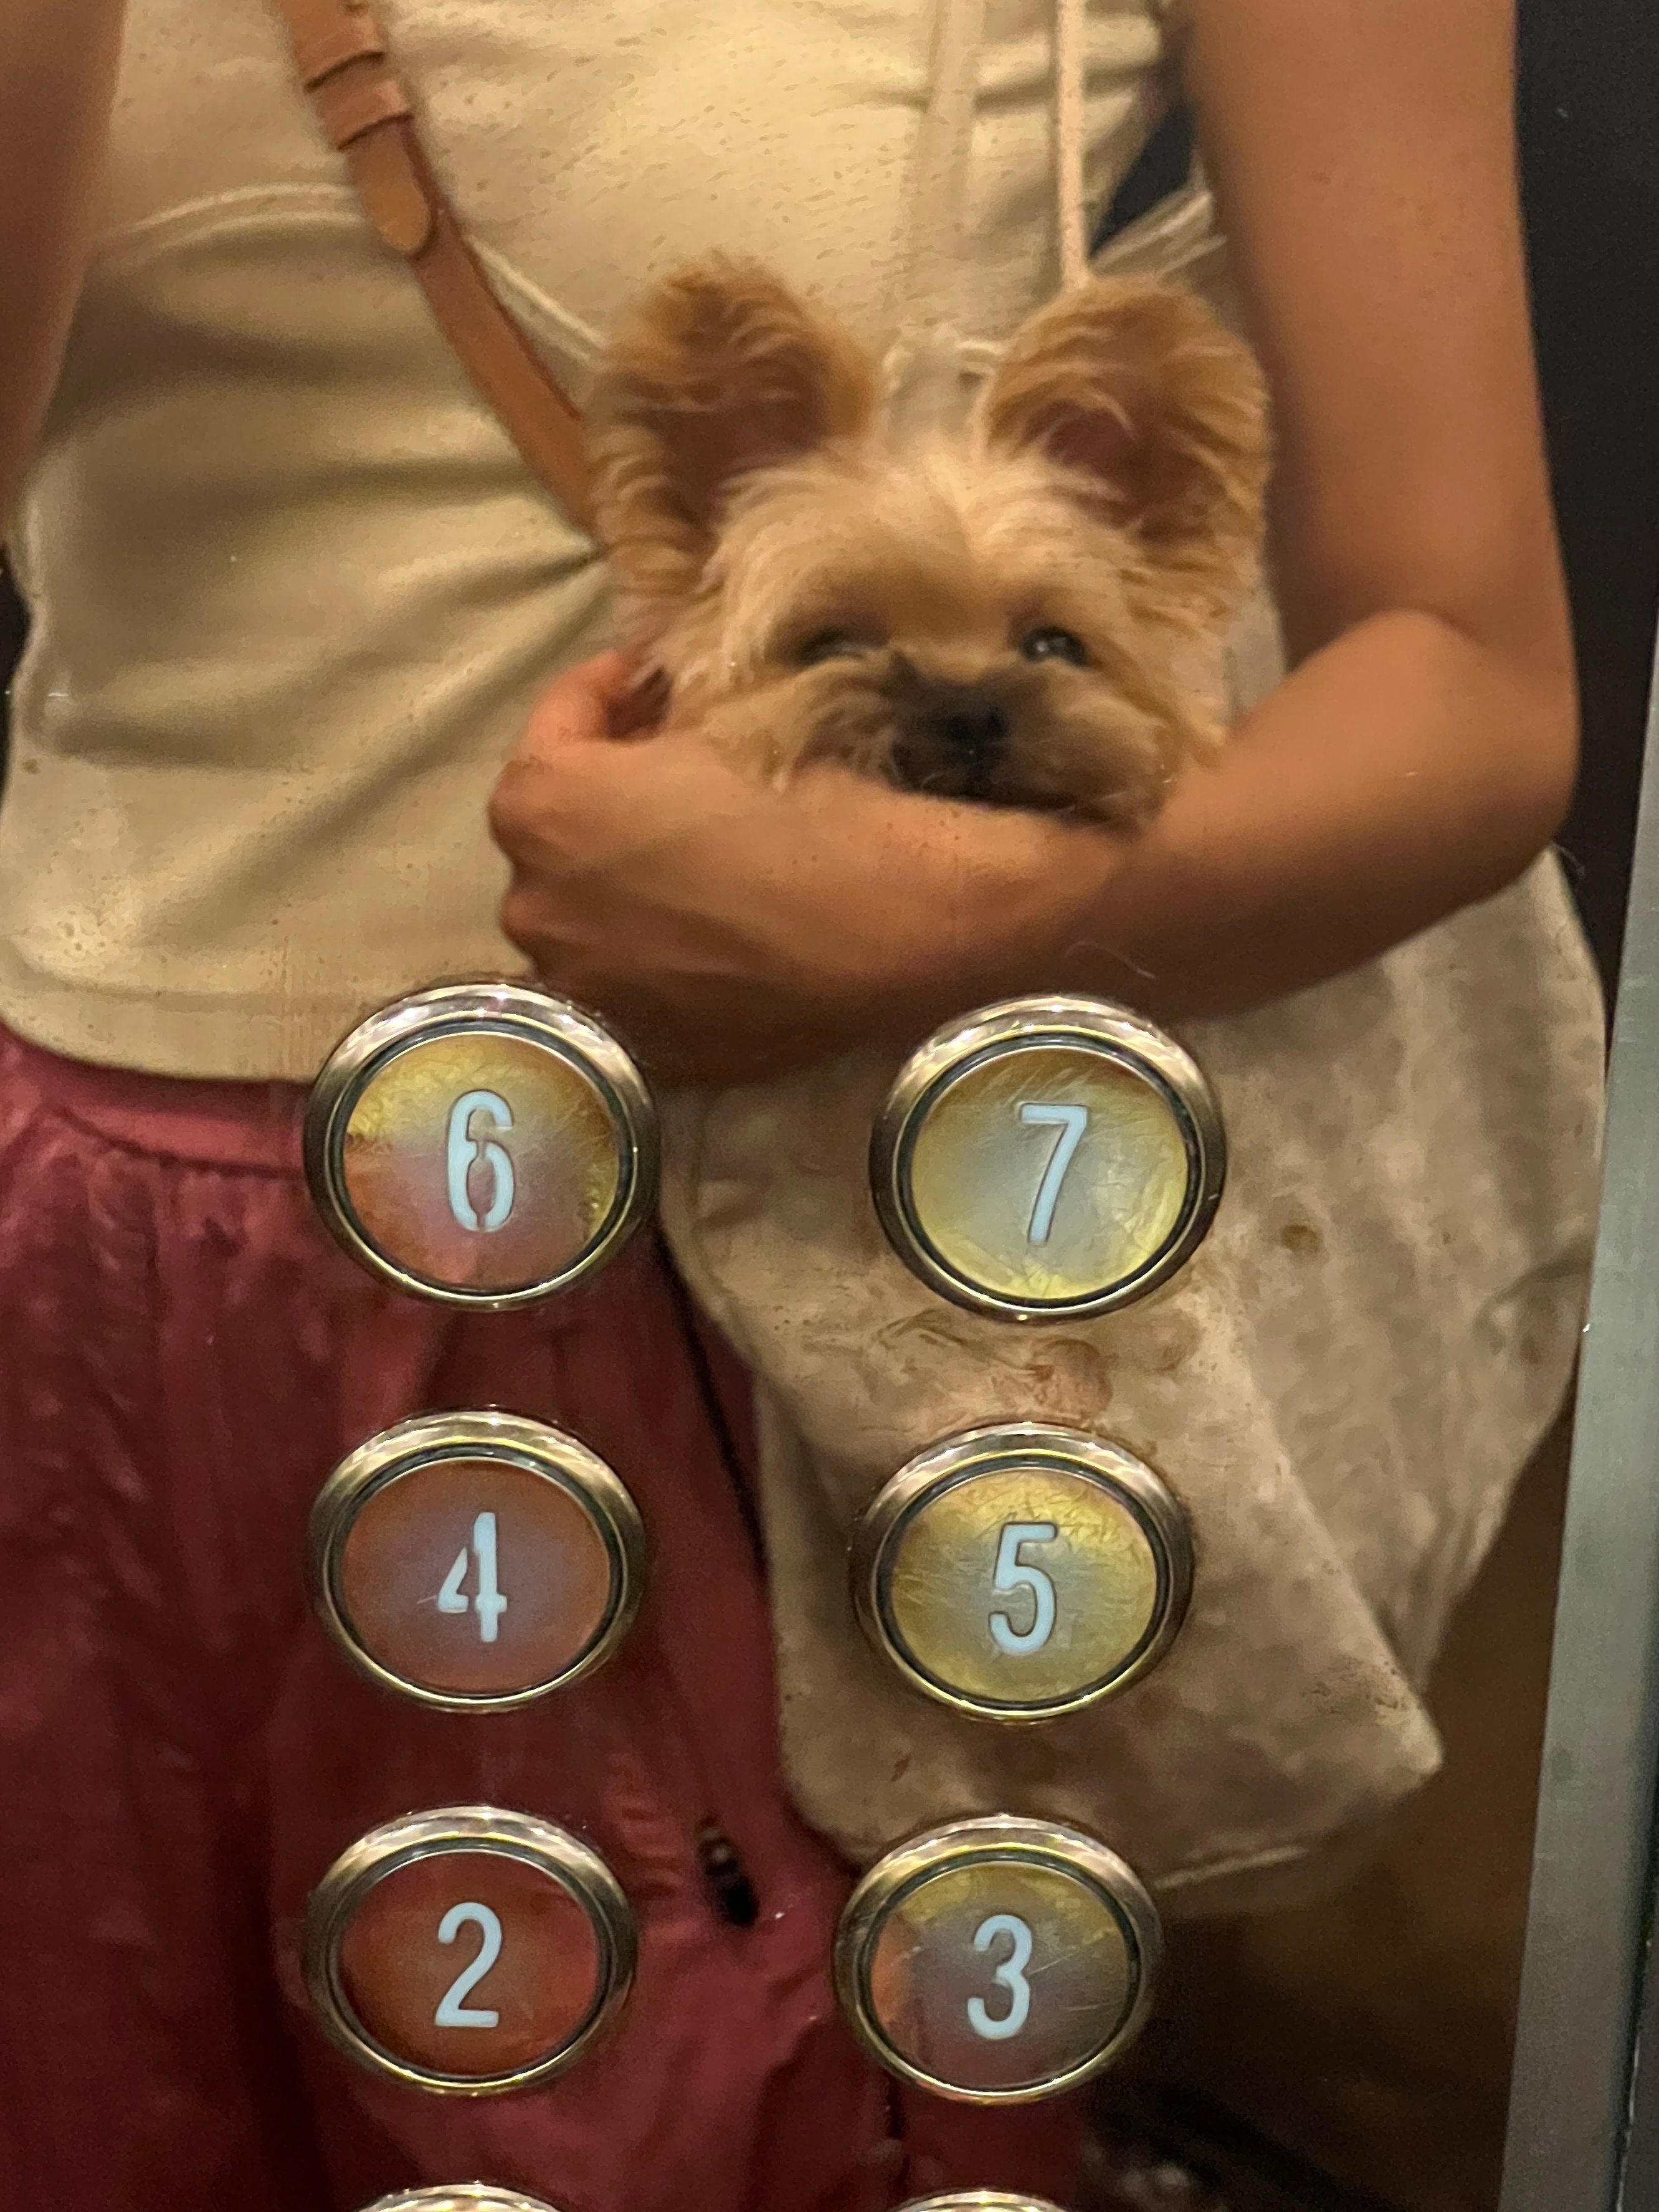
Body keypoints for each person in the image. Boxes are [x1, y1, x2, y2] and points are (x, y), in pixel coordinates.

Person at [0, 2, 1603, 2210]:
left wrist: (938, 918)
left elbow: (1475, 671)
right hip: (74, 1235)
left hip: (730, 1254)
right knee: (102, 2079)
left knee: (717, 2115)